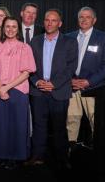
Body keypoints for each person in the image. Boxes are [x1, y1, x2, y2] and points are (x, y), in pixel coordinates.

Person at [27, 9, 78, 169]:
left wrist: (54, 84)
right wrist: (36, 82)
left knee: (59, 128)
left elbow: (71, 68)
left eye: (54, 20)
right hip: (39, 91)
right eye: (47, 20)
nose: (50, 23)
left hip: (59, 91)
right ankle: (37, 156)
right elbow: (29, 67)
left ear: (60, 24)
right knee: (39, 126)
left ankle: (61, 159)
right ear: (44, 22)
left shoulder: (69, 42)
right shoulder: (34, 41)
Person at [0, 17, 36, 170]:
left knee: (16, 126)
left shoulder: (25, 48)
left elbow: (27, 73)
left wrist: (6, 88)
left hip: (18, 91)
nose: (10, 29)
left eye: (14, 26)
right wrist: (0, 87)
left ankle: (14, 157)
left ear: (18, 29)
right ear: (3, 28)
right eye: (7, 26)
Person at [65, 7, 105, 145]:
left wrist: (89, 82)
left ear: (94, 20)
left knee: (96, 121)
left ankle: (97, 156)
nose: (84, 20)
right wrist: (70, 80)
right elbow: (62, 63)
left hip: (95, 88)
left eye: (88, 17)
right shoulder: (68, 37)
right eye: (81, 17)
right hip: (72, 87)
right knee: (71, 120)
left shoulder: (104, 38)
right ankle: (70, 153)